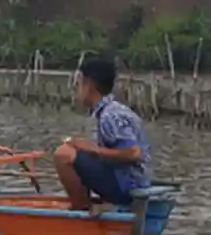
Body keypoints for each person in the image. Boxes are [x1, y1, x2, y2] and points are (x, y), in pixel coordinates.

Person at [53, 56, 152, 211]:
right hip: (130, 181)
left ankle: (81, 209)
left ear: (89, 85)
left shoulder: (110, 116)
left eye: (79, 85)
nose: (77, 91)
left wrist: (95, 150)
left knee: (63, 154)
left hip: (129, 187)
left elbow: (135, 153)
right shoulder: (113, 109)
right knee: (75, 148)